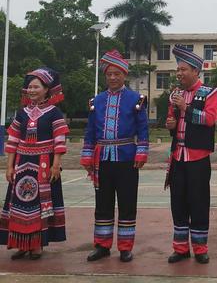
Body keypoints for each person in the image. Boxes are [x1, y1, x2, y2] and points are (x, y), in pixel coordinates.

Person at [80, 49, 149, 263]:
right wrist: (86, 155)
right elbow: (90, 130)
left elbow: (143, 129)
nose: (112, 77)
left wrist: (142, 151)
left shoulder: (136, 99)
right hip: (102, 160)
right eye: (109, 74)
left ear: (124, 75)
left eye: (116, 73)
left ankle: (125, 247)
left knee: (127, 202)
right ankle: (102, 245)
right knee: (103, 203)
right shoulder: (97, 101)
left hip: (127, 157)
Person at [0, 67, 69, 260]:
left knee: (40, 206)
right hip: (22, 165)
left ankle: (36, 245)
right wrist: (9, 166)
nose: (31, 90)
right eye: (29, 87)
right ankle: (20, 244)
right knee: (19, 204)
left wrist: (56, 165)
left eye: (36, 87)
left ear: (46, 89)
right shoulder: (22, 113)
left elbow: (59, 142)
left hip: (44, 165)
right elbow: (12, 141)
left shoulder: (54, 113)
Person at [164, 44, 217, 264]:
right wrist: (170, 123)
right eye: (178, 70)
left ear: (196, 71)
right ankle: (180, 248)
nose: (179, 74)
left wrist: (186, 109)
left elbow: (209, 120)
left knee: (198, 202)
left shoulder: (210, 93)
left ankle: (200, 248)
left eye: (184, 69)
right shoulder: (175, 95)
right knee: (178, 202)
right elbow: (171, 120)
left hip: (198, 158)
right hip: (177, 156)